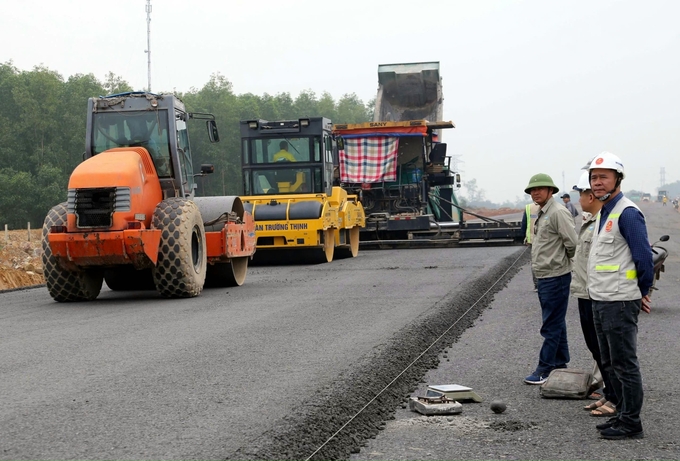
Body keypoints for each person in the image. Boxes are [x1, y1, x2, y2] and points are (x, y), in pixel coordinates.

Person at [587, 151, 653, 440]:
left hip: (619, 299)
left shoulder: (627, 213)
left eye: (603, 177)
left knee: (625, 362)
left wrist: (642, 292)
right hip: (601, 298)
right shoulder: (605, 211)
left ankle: (632, 423)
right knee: (611, 361)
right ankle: (623, 415)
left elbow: (643, 258)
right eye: (593, 177)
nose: (597, 182)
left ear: (617, 179)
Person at [570, 170, 618, 417]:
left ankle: (616, 398)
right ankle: (611, 394)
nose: (579, 198)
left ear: (591, 195)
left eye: (580, 193)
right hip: (585, 294)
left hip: (599, 295)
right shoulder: (590, 222)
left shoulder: (605, 223)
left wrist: (637, 290)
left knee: (608, 350)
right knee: (596, 348)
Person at [523, 173, 578, 385]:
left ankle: (544, 368)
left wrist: (569, 268)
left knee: (551, 324)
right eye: (532, 190)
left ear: (551, 191)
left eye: (540, 189)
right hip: (545, 275)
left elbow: (573, 244)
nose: (535, 193)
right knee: (556, 321)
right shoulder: (542, 212)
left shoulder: (557, 212)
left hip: (556, 276)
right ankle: (560, 362)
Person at [520, 201, 540, 291]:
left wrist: (524, 237)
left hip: (532, 240)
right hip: (547, 240)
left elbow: (524, 224)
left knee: (535, 262)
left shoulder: (528, 207)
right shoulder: (551, 206)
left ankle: (537, 285)